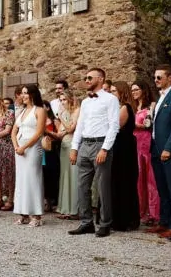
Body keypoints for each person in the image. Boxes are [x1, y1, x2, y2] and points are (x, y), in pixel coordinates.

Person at [69, 68, 120, 238]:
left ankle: (105, 223)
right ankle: (86, 222)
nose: (87, 80)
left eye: (90, 77)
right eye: (86, 78)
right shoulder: (85, 102)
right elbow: (80, 126)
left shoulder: (111, 99)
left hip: (100, 143)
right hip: (85, 144)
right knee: (82, 186)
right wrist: (74, 148)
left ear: (101, 78)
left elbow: (114, 126)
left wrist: (105, 148)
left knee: (102, 187)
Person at [147, 64, 171, 240]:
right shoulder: (160, 97)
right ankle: (164, 221)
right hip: (155, 148)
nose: (156, 80)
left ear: (170, 77)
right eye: (155, 77)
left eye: (159, 77)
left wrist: (168, 148)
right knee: (161, 188)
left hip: (167, 150)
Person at [11, 84, 46, 227]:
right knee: (21, 180)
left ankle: (36, 215)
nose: (23, 96)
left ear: (32, 94)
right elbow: (13, 131)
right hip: (19, 149)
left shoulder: (40, 110)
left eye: (26, 93)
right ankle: (23, 213)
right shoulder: (22, 111)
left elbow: (38, 133)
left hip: (32, 149)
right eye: (22, 93)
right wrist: (16, 147)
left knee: (33, 179)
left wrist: (24, 147)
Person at [109, 81, 140, 231]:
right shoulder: (116, 107)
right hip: (118, 145)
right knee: (115, 181)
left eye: (114, 91)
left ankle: (124, 219)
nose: (111, 93)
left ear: (121, 92)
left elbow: (115, 126)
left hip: (123, 147)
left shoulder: (124, 108)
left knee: (123, 181)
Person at [131, 80, 159, 226]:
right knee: (138, 179)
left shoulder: (151, 106)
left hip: (146, 142)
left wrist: (136, 124)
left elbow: (150, 124)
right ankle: (141, 211)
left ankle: (154, 213)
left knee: (150, 179)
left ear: (143, 90)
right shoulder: (133, 107)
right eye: (132, 90)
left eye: (136, 89)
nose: (134, 92)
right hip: (134, 144)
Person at [57, 91, 80, 220]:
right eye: (60, 100)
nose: (62, 102)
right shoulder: (64, 112)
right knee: (65, 176)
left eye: (64, 99)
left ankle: (75, 209)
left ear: (70, 99)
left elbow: (71, 129)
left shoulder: (77, 110)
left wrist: (60, 117)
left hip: (73, 144)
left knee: (74, 175)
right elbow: (60, 132)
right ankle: (65, 208)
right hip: (64, 145)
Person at [0, 94, 15, 211]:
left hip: (6, 146)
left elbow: (8, 130)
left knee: (9, 173)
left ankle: (10, 200)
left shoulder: (9, 113)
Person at [42, 101, 62, 212]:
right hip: (41, 150)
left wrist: (47, 133)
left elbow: (59, 137)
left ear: (48, 108)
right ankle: (46, 201)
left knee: (52, 176)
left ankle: (54, 201)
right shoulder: (38, 120)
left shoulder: (54, 121)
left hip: (52, 150)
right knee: (43, 176)